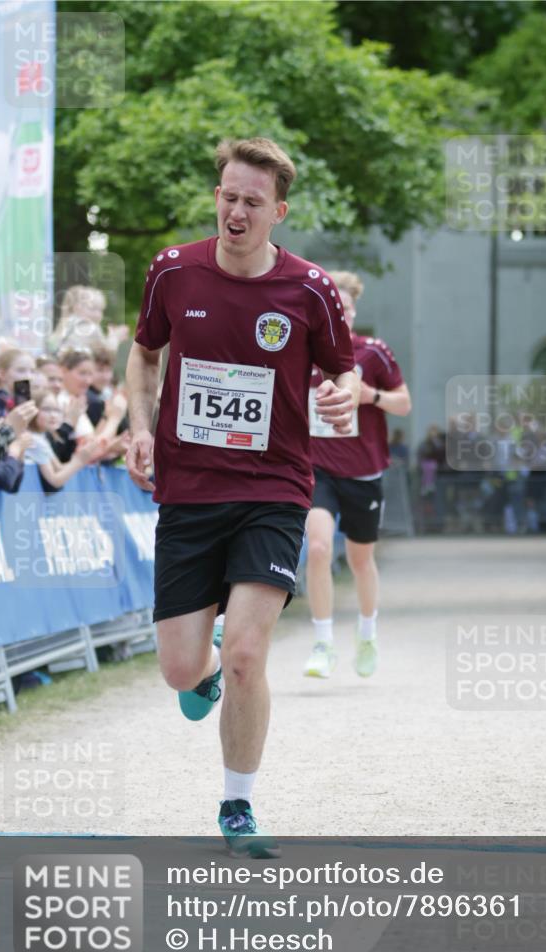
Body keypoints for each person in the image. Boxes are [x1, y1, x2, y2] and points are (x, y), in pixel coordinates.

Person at [125, 137, 358, 855]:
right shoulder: (172, 270)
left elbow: (343, 370)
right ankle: (207, 663)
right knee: (179, 669)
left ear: (277, 212)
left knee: (249, 657)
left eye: (252, 202)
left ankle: (237, 805)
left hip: (273, 490)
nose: (236, 211)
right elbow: (144, 354)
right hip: (189, 491)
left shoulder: (310, 289)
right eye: (228, 196)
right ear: (217, 196)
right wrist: (140, 427)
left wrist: (345, 396)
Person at [304, 270, 411, 680]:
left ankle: (367, 633)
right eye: (333, 308)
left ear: (353, 311)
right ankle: (322, 643)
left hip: (364, 472)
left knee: (360, 559)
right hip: (316, 469)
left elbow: (404, 404)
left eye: (345, 308)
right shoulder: (303, 353)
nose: (340, 314)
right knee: (317, 548)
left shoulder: (372, 352)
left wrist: (371, 396)